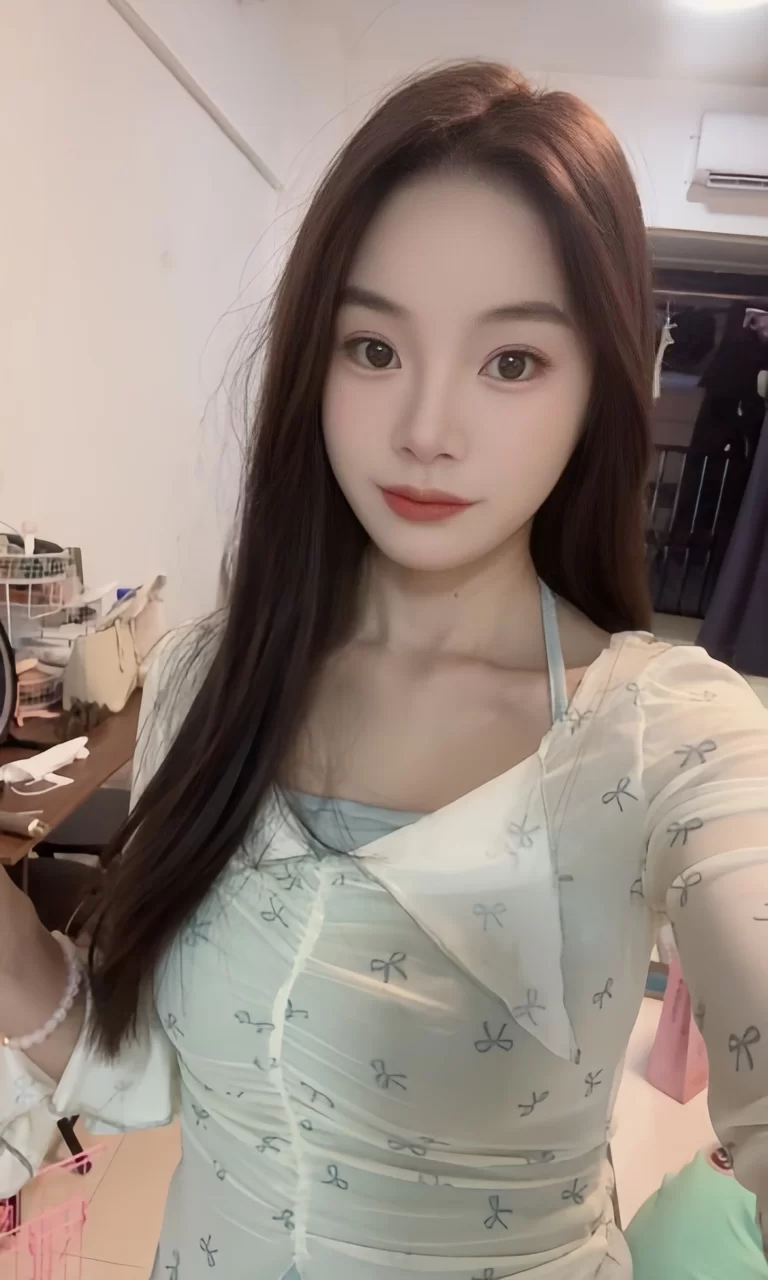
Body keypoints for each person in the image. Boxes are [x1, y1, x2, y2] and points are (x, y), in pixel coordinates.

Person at [1, 61, 767, 1280]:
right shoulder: (209, 673)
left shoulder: (668, 733)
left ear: (599, 386)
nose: (425, 429)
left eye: (512, 361)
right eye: (372, 347)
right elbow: (143, 1072)